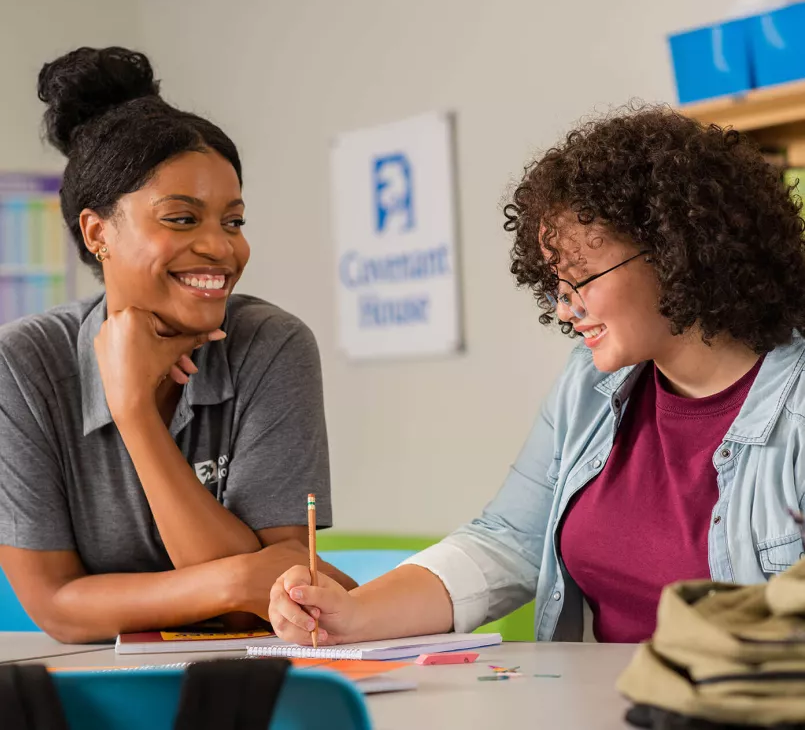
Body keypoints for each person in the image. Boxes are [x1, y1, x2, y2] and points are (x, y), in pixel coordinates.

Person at [269, 105, 805, 646]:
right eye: (556, 284)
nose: (566, 309)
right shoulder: (588, 388)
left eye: (584, 278)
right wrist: (353, 613)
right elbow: (507, 542)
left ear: (679, 252)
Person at [0, 46, 355, 643]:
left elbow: (266, 609)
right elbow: (56, 605)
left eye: (233, 221)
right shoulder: (22, 366)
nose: (221, 247)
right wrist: (239, 579)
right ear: (97, 233)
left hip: (256, 681)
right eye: (183, 219)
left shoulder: (272, 346)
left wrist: (135, 413)